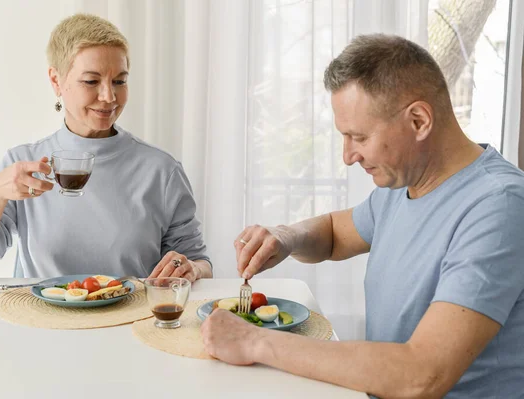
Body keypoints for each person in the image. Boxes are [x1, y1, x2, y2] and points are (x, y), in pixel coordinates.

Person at [201, 34, 524, 398]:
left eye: (359, 137)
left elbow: (422, 375)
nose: (348, 156)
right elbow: (336, 234)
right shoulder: (401, 187)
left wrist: (255, 342)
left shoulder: (499, 206)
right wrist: (286, 237)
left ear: (419, 120)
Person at [0, 14, 212, 282]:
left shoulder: (162, 171)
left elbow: (198, 261)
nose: (109, 97)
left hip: (129, 321)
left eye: (119, 81)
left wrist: (191, 268)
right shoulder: (23, 164)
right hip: (40, 321)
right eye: (91, 81)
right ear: (56, 81)